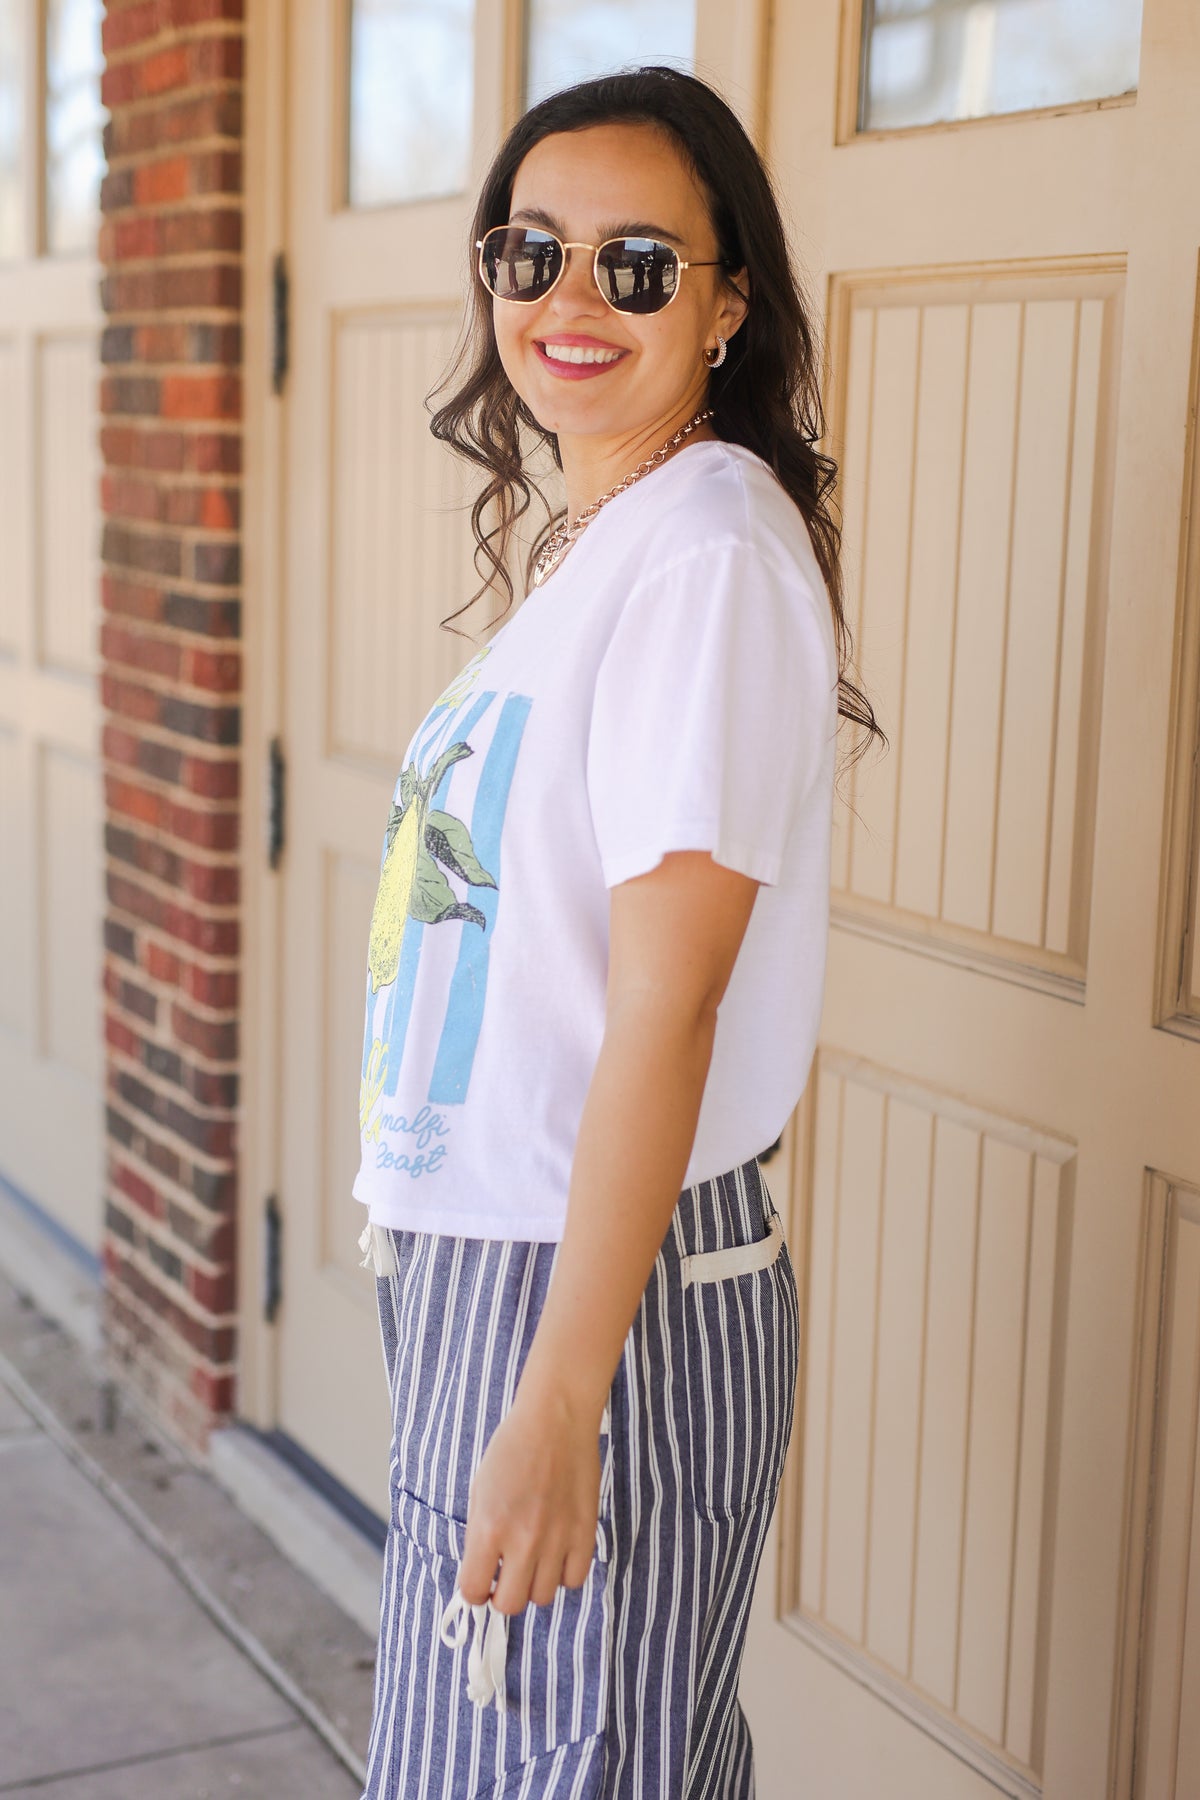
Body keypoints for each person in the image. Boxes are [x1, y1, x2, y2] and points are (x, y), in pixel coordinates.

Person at [353, 64, 883, 1800]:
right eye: (533, 250)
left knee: (572, 1766)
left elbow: (672, 1008)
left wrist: (563, 1397)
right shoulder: (619, 543)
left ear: (730, 301)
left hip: (599, 1298)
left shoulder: (705, 558)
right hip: (510, 1274)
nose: (571, 299)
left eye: (640, 263)